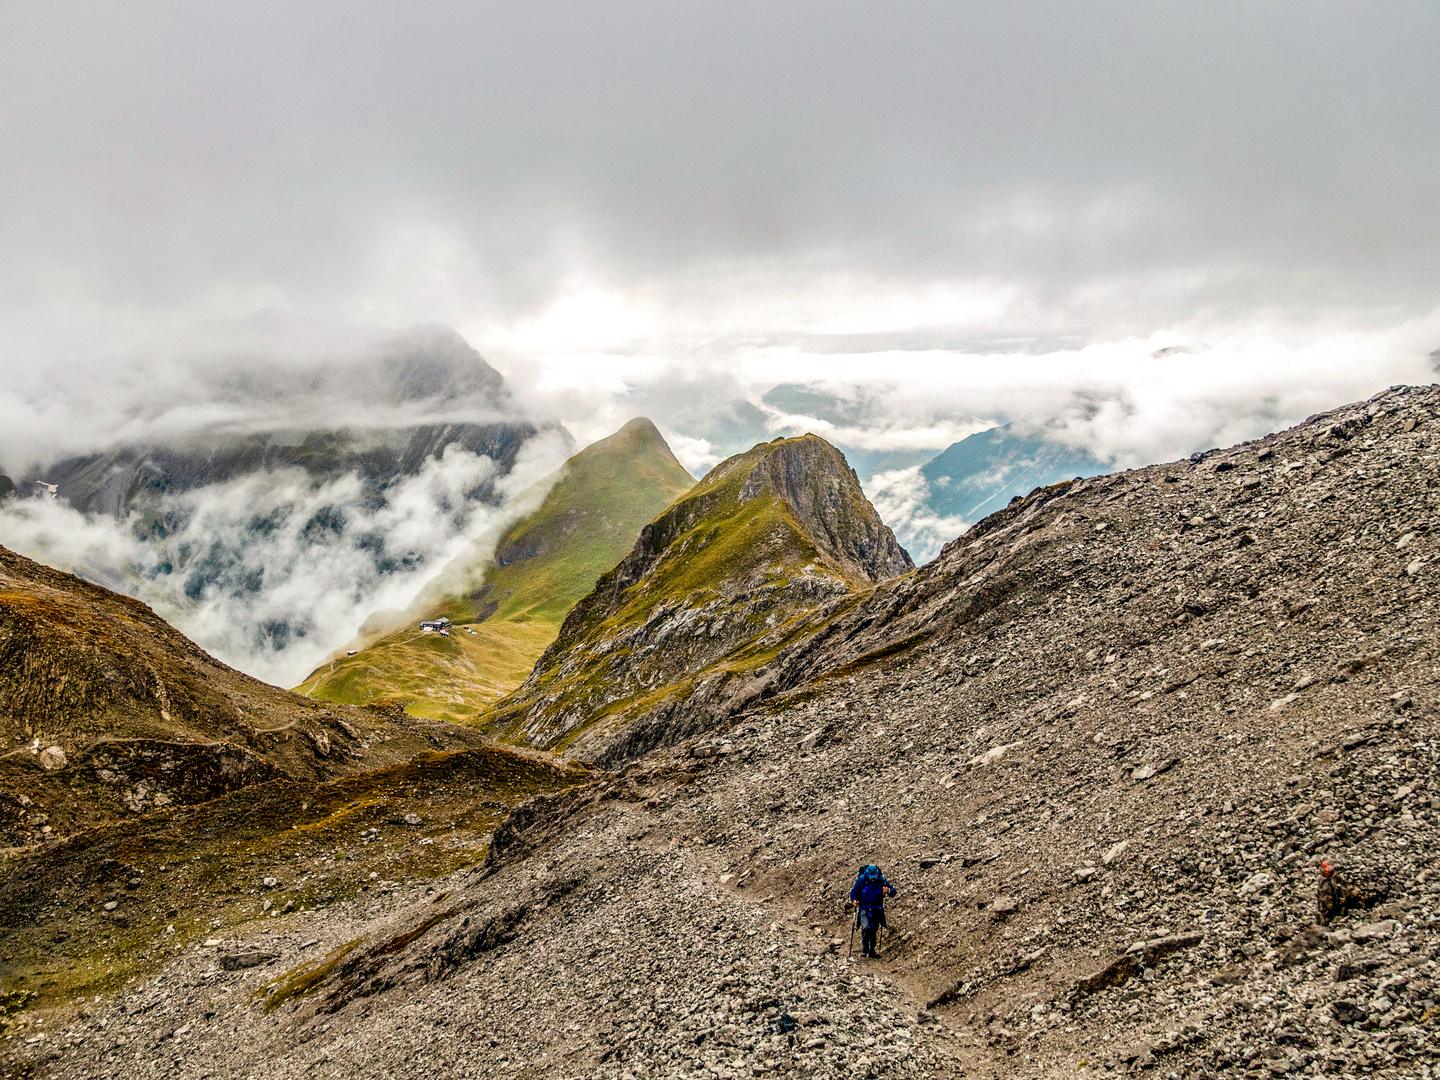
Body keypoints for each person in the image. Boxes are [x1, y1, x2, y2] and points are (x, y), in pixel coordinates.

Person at [849, 864, 897, 958]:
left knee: (874, 929)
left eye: (874, 877)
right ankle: (864, 949)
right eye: (872, 877)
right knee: (866, 927)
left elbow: (893, 892)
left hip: (876, 908)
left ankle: (872, 951)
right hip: (864, 907)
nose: (873, 879)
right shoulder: (862, 879)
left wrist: (888, 891)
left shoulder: (881, 879)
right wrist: (854, 900)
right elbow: (854, 892)